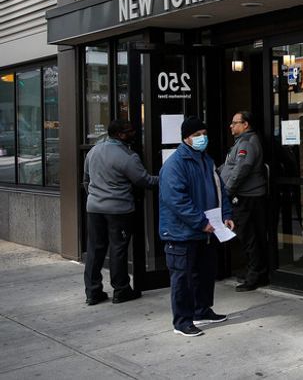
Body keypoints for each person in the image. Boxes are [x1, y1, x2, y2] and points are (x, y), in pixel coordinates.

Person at [159, 116, 234, 337]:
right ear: (186, 138)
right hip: (182, 233)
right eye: (196, 135)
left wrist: (226, 214)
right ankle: (182, 321)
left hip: (206, 231)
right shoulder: (175, 165)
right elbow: (177, 201)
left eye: (204, 133)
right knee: (182, 278)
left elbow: (220, 191)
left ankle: (202, 310)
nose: (202, 138)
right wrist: (202, 223)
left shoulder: (206, 160)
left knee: (204, 273)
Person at [82, 119, 159, 305]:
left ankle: (93, 292)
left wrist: (95, 196)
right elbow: (144, 181)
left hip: (94, 208)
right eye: (130, 131)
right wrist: (167, 177)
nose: (134, 134)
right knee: (118, 249)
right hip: (119, 210)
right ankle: (121, 289)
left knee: (95, 249)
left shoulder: (93, 151)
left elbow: (85, 179)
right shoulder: (127, 156)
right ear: (120, 134)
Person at [219, 111, 269, 291]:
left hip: (247, 197)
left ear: (245, 124)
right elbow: (231, 166)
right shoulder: (242, 142)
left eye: (235, 123)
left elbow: (241, 168)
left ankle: (255, 275)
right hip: (247, 196)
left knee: (249, 237)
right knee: (249, 235)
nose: (231, 126)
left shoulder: (247, 143)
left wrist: (227, 190)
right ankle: (253, 271)